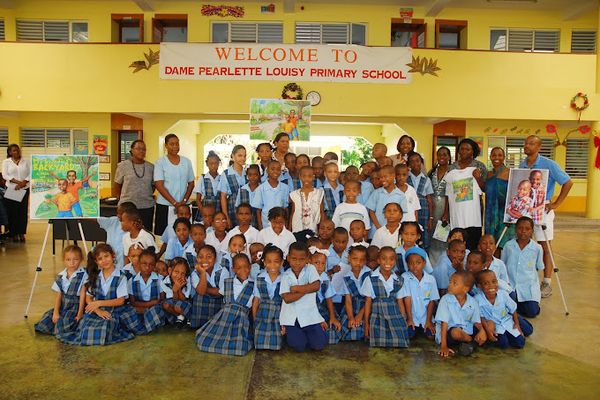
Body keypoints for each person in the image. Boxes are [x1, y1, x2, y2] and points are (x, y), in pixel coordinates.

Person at [520, 135, 573, 298]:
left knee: (545, 246)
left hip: (543, 209)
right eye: (526, 143)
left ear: (539, 147)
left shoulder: (549, 164)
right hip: (526, 208)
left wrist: (556, 203)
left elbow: (568, 182)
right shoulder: (522, 164)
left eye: (531, 143)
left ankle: (547, 282)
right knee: (525, 242)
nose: (527, 145)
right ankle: (528, 278)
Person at [58, 244, 135, 346]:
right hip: (97, 310)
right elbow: (88, 297)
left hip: (115, 310)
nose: (104, 260)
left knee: (104, 326)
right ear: (96, 262)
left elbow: (120, 300)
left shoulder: (121, 276)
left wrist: (98, 303)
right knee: (85, 324)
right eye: (100, 259)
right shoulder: (96, 276)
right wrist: (98, 310)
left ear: (113, 255)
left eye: (106, 256)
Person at [195, 253, 254, 356]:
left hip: (241, 318)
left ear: (250, 267)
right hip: (224, 316)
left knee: (239, 345)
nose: (243, 270)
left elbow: (255, 304)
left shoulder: (255, 285)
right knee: (205, 339)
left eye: (245, 267)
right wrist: (204, 289)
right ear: (233, 269)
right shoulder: (228, 282)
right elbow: (218, 292)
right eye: (238, 268)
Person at [279, 242, 328, 352]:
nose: (297, 262)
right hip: (291, 318)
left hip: (310, 315)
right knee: (299, 346)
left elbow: (316, 286)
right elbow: (287, 298)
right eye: (294, 259)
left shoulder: (310, 269)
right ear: (288, 258)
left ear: (307, 259)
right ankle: (295, 334)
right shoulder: (286, 276)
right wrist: (307, 289)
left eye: (301, 259)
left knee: (319, 344)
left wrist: (297, 288)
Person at [361, 246, 409, 348]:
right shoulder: (370, 278)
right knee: (378, 342)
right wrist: (366, 323)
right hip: (377, 315)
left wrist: (403, 319)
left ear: (395, 261)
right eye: (384, 259)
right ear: (378, 260)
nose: (388, 262)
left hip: (394, 313)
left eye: (391, 259)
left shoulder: (399, 280)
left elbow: (400, 301)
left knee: (399, 341)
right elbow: (368, 301)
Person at [34, 245, 87, 337]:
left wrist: (80, 313)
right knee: (46, 321)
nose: (72, 263)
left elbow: (83, 296)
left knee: (64, 323)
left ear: (81, 259)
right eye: (68, 260)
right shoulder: (61, 276)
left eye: (75, 259)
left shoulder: (84, 275)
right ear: (64, 260)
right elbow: (59, 296)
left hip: (76, 307)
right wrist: (56, 312)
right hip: (63, 306)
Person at [442, 139, 485, 251]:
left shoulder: (479, 167)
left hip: (473, 215)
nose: (464, 151)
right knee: (457, 244)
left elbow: (484, 189)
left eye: (468, 149)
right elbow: (448, 193)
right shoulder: (452, 169)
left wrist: (477, 178)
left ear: (473, 151)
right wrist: (446, 212)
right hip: (457, 215)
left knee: (473, 244)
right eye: (462, 148)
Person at [475, 270, 533, 349]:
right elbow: (481, 318)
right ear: (479, 286)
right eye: (486, 283)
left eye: (494, 281)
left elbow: (513, 309)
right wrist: (488, 332)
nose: (491, 285)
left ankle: (520, 325)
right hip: (495, 325)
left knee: (520, 343)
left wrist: (517, 324)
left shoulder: (503, 294)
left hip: (507, 320)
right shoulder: (477, 299)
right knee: (503, 344)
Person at [435, 271, 486, 357]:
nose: (450, 285)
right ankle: (471, 342)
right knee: (456, 332)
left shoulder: (473, 302)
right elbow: (444, 324)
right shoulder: (445, 300)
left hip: (466, 330)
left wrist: (482, 331)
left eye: (454, 283)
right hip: (449, 332)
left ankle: (466, 344)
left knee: (486, 330)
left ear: (465, 289)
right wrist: (443, 346)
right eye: (450, 282)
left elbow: (476, 321)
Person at [501, 217, 544, 318]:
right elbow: (503, 265)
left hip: (528, 287)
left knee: (532, 312)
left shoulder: (537, 248)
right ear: (515, 229)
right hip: (511, 286)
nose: (523, 231)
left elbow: (538, 267)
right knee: (506, 306)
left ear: (532, 231)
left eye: (527, 229)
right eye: (520, 228)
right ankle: (516, 306)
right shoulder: (508, 246)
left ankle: (522, 306)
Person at [153, 134, 195, 236]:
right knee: (165, 236)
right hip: (165, 206)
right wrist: (175, 203)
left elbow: (191, 183)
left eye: (177, 143)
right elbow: (159, 185)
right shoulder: (160, 163)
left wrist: (184, 201)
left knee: (185, 234)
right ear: (166, 146)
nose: (175, 146)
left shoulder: (186, 161)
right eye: (172, 144)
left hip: (184, 206)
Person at [398, 247, 438, 339]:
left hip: (425, 317)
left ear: (424, 263)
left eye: (418, 263)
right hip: (412, 316)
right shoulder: (405, 277)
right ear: (407, 264)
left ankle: (425, 324)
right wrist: (410, 319)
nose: (414, 266)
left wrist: (428, 321)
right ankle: (414, 326)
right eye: (411, 263)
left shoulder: (430, 279)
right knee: (408, 336)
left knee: (432, 336)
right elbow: (407, 299)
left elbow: (432, 301)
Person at [114, 139, 155, 231]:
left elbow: (153, 185)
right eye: (138, 149)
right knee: (126, 234)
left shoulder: (151, 167)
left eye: (144, 149)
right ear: (132, 150)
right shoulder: (122, 166)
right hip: (127, 208)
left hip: (146, 207)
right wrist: (120, 200)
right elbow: (117, 185)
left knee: (144, 234)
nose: (141, 151)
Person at [252, 245, 284, 351]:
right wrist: (255, 318)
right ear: (264, 263)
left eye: (276, 261)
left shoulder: (285, 278)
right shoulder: (259, 278)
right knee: (259, 341)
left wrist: (285, 322)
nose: (272, 265)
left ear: (282, 263)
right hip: (263, 314)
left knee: (277, 343)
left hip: (278, 314)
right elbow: (256, 300)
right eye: (269, 262)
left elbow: (286, 302)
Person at [337, 244, 371, 341]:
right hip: (353, 307)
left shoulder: (369, 274)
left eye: (362, 260)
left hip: (368, 307)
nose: (358, 263)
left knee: (359, 332)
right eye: (355, 259)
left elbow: (370, 299)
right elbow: (348, 301)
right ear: (349, 259)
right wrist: (351, 318)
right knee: (343, 330)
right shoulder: (347, 277)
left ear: (365, 261)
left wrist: (360, 316)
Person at [128, 248, 165, 334]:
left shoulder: (159, 279)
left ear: (154, 265)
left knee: (157, 310)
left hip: (154, 308)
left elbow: (161, 299)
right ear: (139, 264)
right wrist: (149, 304)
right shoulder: (131, 281)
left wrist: (148, 306)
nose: (147, 267)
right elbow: (133, 302)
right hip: (139, 308)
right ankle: (148, 325)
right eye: (144, 264)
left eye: (151, 264)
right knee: (127, 312)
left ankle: (142, 327)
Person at [189, 244, 226, 329]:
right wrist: (202, 273)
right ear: (197, 259)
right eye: (200, 257)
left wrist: (205, 289)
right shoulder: (195, 273)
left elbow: (220, 293)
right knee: (199, 297)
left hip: (217, 305)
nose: (204, 260)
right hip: (201, 306)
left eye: (209, 257)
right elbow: (201, 292)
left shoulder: (222, 271)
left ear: (215, 259)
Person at [311, 248, 343, 344]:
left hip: (322, 309)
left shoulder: (325, 278)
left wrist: (332, 317)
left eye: (323, 264)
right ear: (309, 262)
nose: (320, 266)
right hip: (310, 310)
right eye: (316, 263)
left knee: (332, 331)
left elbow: (329, 299)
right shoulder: (306, 277)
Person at [485, 147, 514, 249]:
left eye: (500, 155)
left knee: (504, 246)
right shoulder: (488, 174)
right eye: (494, 155)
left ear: (504, 157)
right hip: (490, 216)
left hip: (505, 216)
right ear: (490, 157)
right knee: (490, 245)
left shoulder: (510, 173)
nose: (496, 157)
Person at [366, 165, 408, 235]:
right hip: (377, 230)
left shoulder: (401, 195)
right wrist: (378, 226)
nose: (382, 179)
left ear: (393, 176)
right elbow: (371, 211)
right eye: (380, 178)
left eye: (385, 177)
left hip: (394, 231)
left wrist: (395, 228)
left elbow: (402, 214)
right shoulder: (376, 193)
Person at [428, 146, 452, 266]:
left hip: (445, 206)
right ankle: (432, 263)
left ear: (449, 157)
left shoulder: (452, 172)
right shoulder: (432, 172)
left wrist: (447, 212)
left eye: (444, 155)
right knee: (432, 234)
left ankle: (442, 263)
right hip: (433, 206)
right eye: (439, 155)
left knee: (442, 234)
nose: (442, 157)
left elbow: (451, 193)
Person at [2, 144, 30, 242]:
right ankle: (13, 233)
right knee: (12, 212)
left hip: (24, 188)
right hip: (11, 189)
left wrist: (23, 183)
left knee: (22, 212)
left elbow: (31, 173)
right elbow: (5, 175)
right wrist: (18, 183)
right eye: (14, 150)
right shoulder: (6, 162)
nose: (16, 152)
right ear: (10, 152)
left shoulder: (26, 161)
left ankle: (21, 233)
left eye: (17, 150)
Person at [252, 160, 290, 230]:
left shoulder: (285, 188)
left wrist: (286, 224)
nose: (275, 171)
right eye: (272, 169)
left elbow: (285, 208)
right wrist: (260, 226)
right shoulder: (261, 188)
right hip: (266, 224)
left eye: (278, 169)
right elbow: (258, 210)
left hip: (281, 225)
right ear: (267, 171)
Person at [98, 201, 136, 270]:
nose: (118, 215)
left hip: (126, 267)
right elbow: (96, 219)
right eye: (117, 213)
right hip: (110, 265)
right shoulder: (113, 221)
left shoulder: (135, 229)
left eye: (120, 213)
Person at [289, 165, 325, 237]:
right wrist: (289, 230)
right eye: (304, 176)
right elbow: (293, 212)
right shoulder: (293, 194)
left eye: (309, 176)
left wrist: (322, 229)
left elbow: (321, 212)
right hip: (297, 229)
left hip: (313, 228)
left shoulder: (319, 193)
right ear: (300, 177)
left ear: (313, 177)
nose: (306, 179)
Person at [408, 153, 434, 248]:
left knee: (423, 236)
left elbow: (429, 199)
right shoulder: (405, 178)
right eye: (412, 161)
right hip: (410, 210)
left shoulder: (426, 179)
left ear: (421, 163)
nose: (415, 163)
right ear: (409, 164)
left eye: (417, 161)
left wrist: (430, 217)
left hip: (424, 211)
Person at [219, 145, 247, 229]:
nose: (243, 158)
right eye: (239, 155)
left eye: (244, 156)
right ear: (233, 156)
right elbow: (223, 197)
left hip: (247, 210)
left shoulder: (248, 172)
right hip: (232, 210)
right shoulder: (226, 173)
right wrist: (226, 217)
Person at [161, 257, 192, 327]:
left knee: (178, 306)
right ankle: (180, 317)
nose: (179, 276)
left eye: (182, 273)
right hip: (173, 301)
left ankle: (188, 318)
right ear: (169, 271)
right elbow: (173, 299)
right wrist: (175, 291)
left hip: (185, 303)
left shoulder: (187, 281)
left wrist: (179, 289)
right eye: (176, 272)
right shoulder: (165, 281)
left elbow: (184, 299)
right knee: (165, 305)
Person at [194, 151, 222, 218]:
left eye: (216, 163)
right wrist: (203, 213)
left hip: (218, 212)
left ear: (219, 163)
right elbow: (198, 199)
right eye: (211, 163)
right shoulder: (203, 178)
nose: (213, 166)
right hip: (205, 213)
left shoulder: (222, 179)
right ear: (207, 164)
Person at [235, 164, 261, 229]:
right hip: (244, 224)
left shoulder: (262, 189)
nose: (253, 177)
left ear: (259, 175)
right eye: (250, 175)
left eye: (255, 174)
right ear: (247, 176)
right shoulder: (242, 190)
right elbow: (237, 207)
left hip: (259, 223)